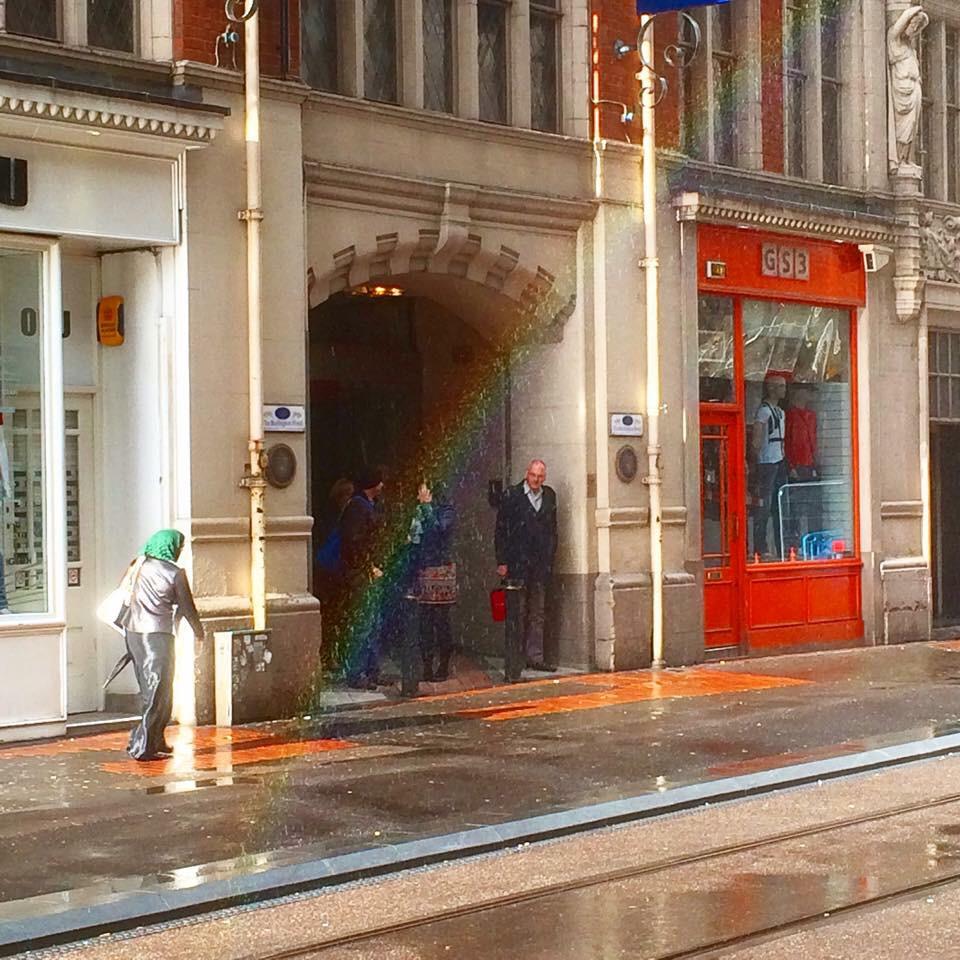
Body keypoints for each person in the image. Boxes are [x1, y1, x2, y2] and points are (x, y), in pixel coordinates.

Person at [121, 529, 204, 762]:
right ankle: (143, 746)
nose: (180, 551)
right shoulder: (175, 573)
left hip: (134, 634)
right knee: (160, 693)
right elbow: (188, 608)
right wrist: (200, 633)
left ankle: (154, 739)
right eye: (180, 546)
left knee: (151, 692)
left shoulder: (138, 565)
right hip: (157, 636)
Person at [495, 459, 558, 681]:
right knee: (517, 612)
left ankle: (535, 656)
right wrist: (501, 561)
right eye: (533, 476)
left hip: (539, 564)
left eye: (540, 477)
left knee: (537, 612)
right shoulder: (512, 496)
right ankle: (515, 657)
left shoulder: (549, 496)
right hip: (517, 563)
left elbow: (552, 530)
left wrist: (550, 557)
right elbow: (501, 529)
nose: (536, 480)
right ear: (526, 474)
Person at [341, 466, 385, 689]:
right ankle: (356, 673)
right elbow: (355, 542)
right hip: (362, 575)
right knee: (363, 624)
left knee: (373, 623)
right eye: (380, 482)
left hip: (367, 573)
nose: (383, 486)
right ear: (373, 484)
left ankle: (371, 671)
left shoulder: (366, 505)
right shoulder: (359, 508)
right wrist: (368, 566)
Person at [411, 480, 457, 683]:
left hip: (440, 568)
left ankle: (444, 664)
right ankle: (426, 664)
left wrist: (428, 508)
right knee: (424, 621)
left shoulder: (445, 509)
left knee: (441, 619)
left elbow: (440, 530)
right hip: (422, 567)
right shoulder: (417, 510)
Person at [887, 5, 930, 168]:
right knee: (903, 126)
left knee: (912, 125)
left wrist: (920, 18)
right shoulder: (894, 39)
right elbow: (900, 24)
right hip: (902, 87)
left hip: (913, 87)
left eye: (917, 28)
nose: (914, 30)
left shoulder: (910, 47)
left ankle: (905, 159)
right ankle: (898, 160)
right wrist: (914, 9)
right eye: (912, 26)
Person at [752, 375, 788, 560]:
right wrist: (755, 458)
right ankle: (760, 545)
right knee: (764, 506)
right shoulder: (764, 412)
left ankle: (782, 545)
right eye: (781, 386)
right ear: (772, 389)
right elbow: (757, 437)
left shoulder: (780, 412)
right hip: (767, 462)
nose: (784, 390)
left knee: (779, 504)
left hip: (779, 460)